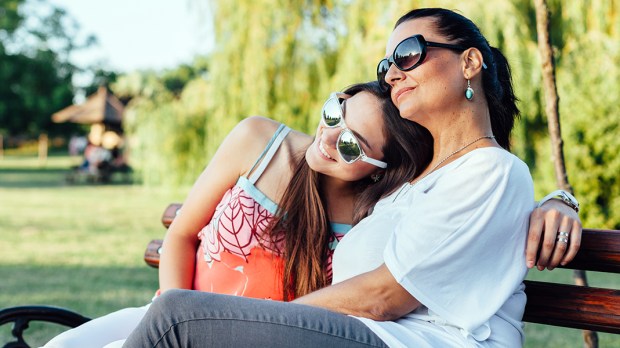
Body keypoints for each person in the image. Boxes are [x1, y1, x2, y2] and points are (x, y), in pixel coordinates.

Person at [121, 8, 582, 346]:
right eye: (386, 65)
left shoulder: (492, 169)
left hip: (419, 342)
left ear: (469, 63)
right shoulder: (411, 183)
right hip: (368, 336)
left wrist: (252, 321)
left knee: (177, 319)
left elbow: (384, 296)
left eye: (408, 53)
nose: (392, 73)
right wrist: (558, 197)